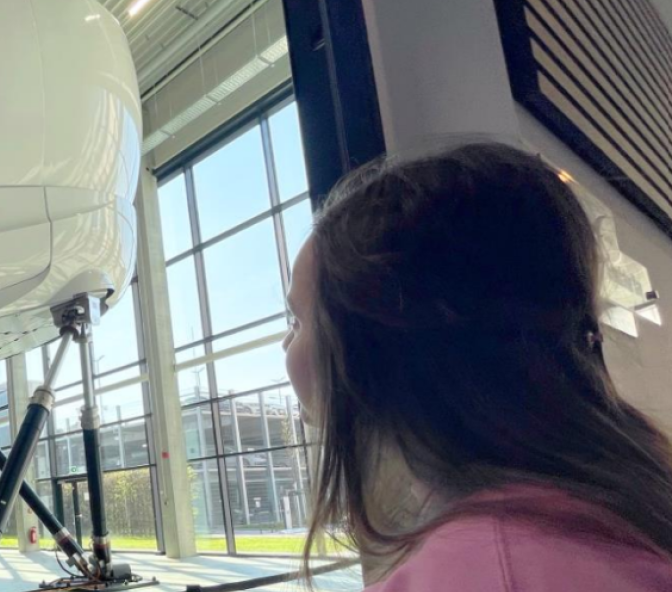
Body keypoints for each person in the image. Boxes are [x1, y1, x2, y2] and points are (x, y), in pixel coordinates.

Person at [282, 142, 672, 591]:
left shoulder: (486, 571)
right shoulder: (602, 516)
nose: (286, 344)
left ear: (377, 348)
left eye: (297, 320)